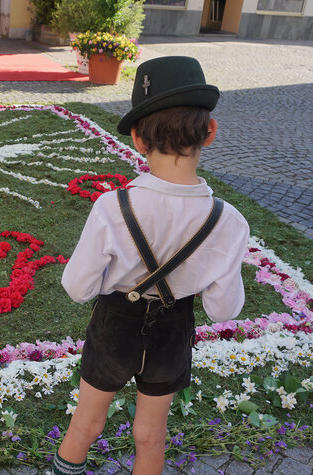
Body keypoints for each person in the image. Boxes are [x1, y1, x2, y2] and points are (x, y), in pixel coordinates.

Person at [54, 56, 250, 475]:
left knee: (85, 423)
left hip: (115, 324)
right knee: (151, 433)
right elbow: (223, 309)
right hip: (172, 331)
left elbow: (77, 287)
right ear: (210, 132)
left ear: (139, 139)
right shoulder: (229, 222)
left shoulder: (112, 207)